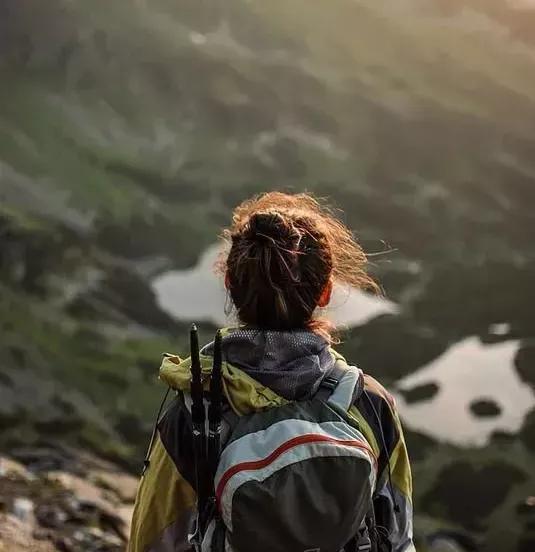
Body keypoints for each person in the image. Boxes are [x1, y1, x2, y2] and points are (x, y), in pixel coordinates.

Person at [128, 192, 415, 552]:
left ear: (231, 286)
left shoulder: (196, 411)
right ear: (325, 292)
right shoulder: (369, 403)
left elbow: (152, 541)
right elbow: (399, 538)